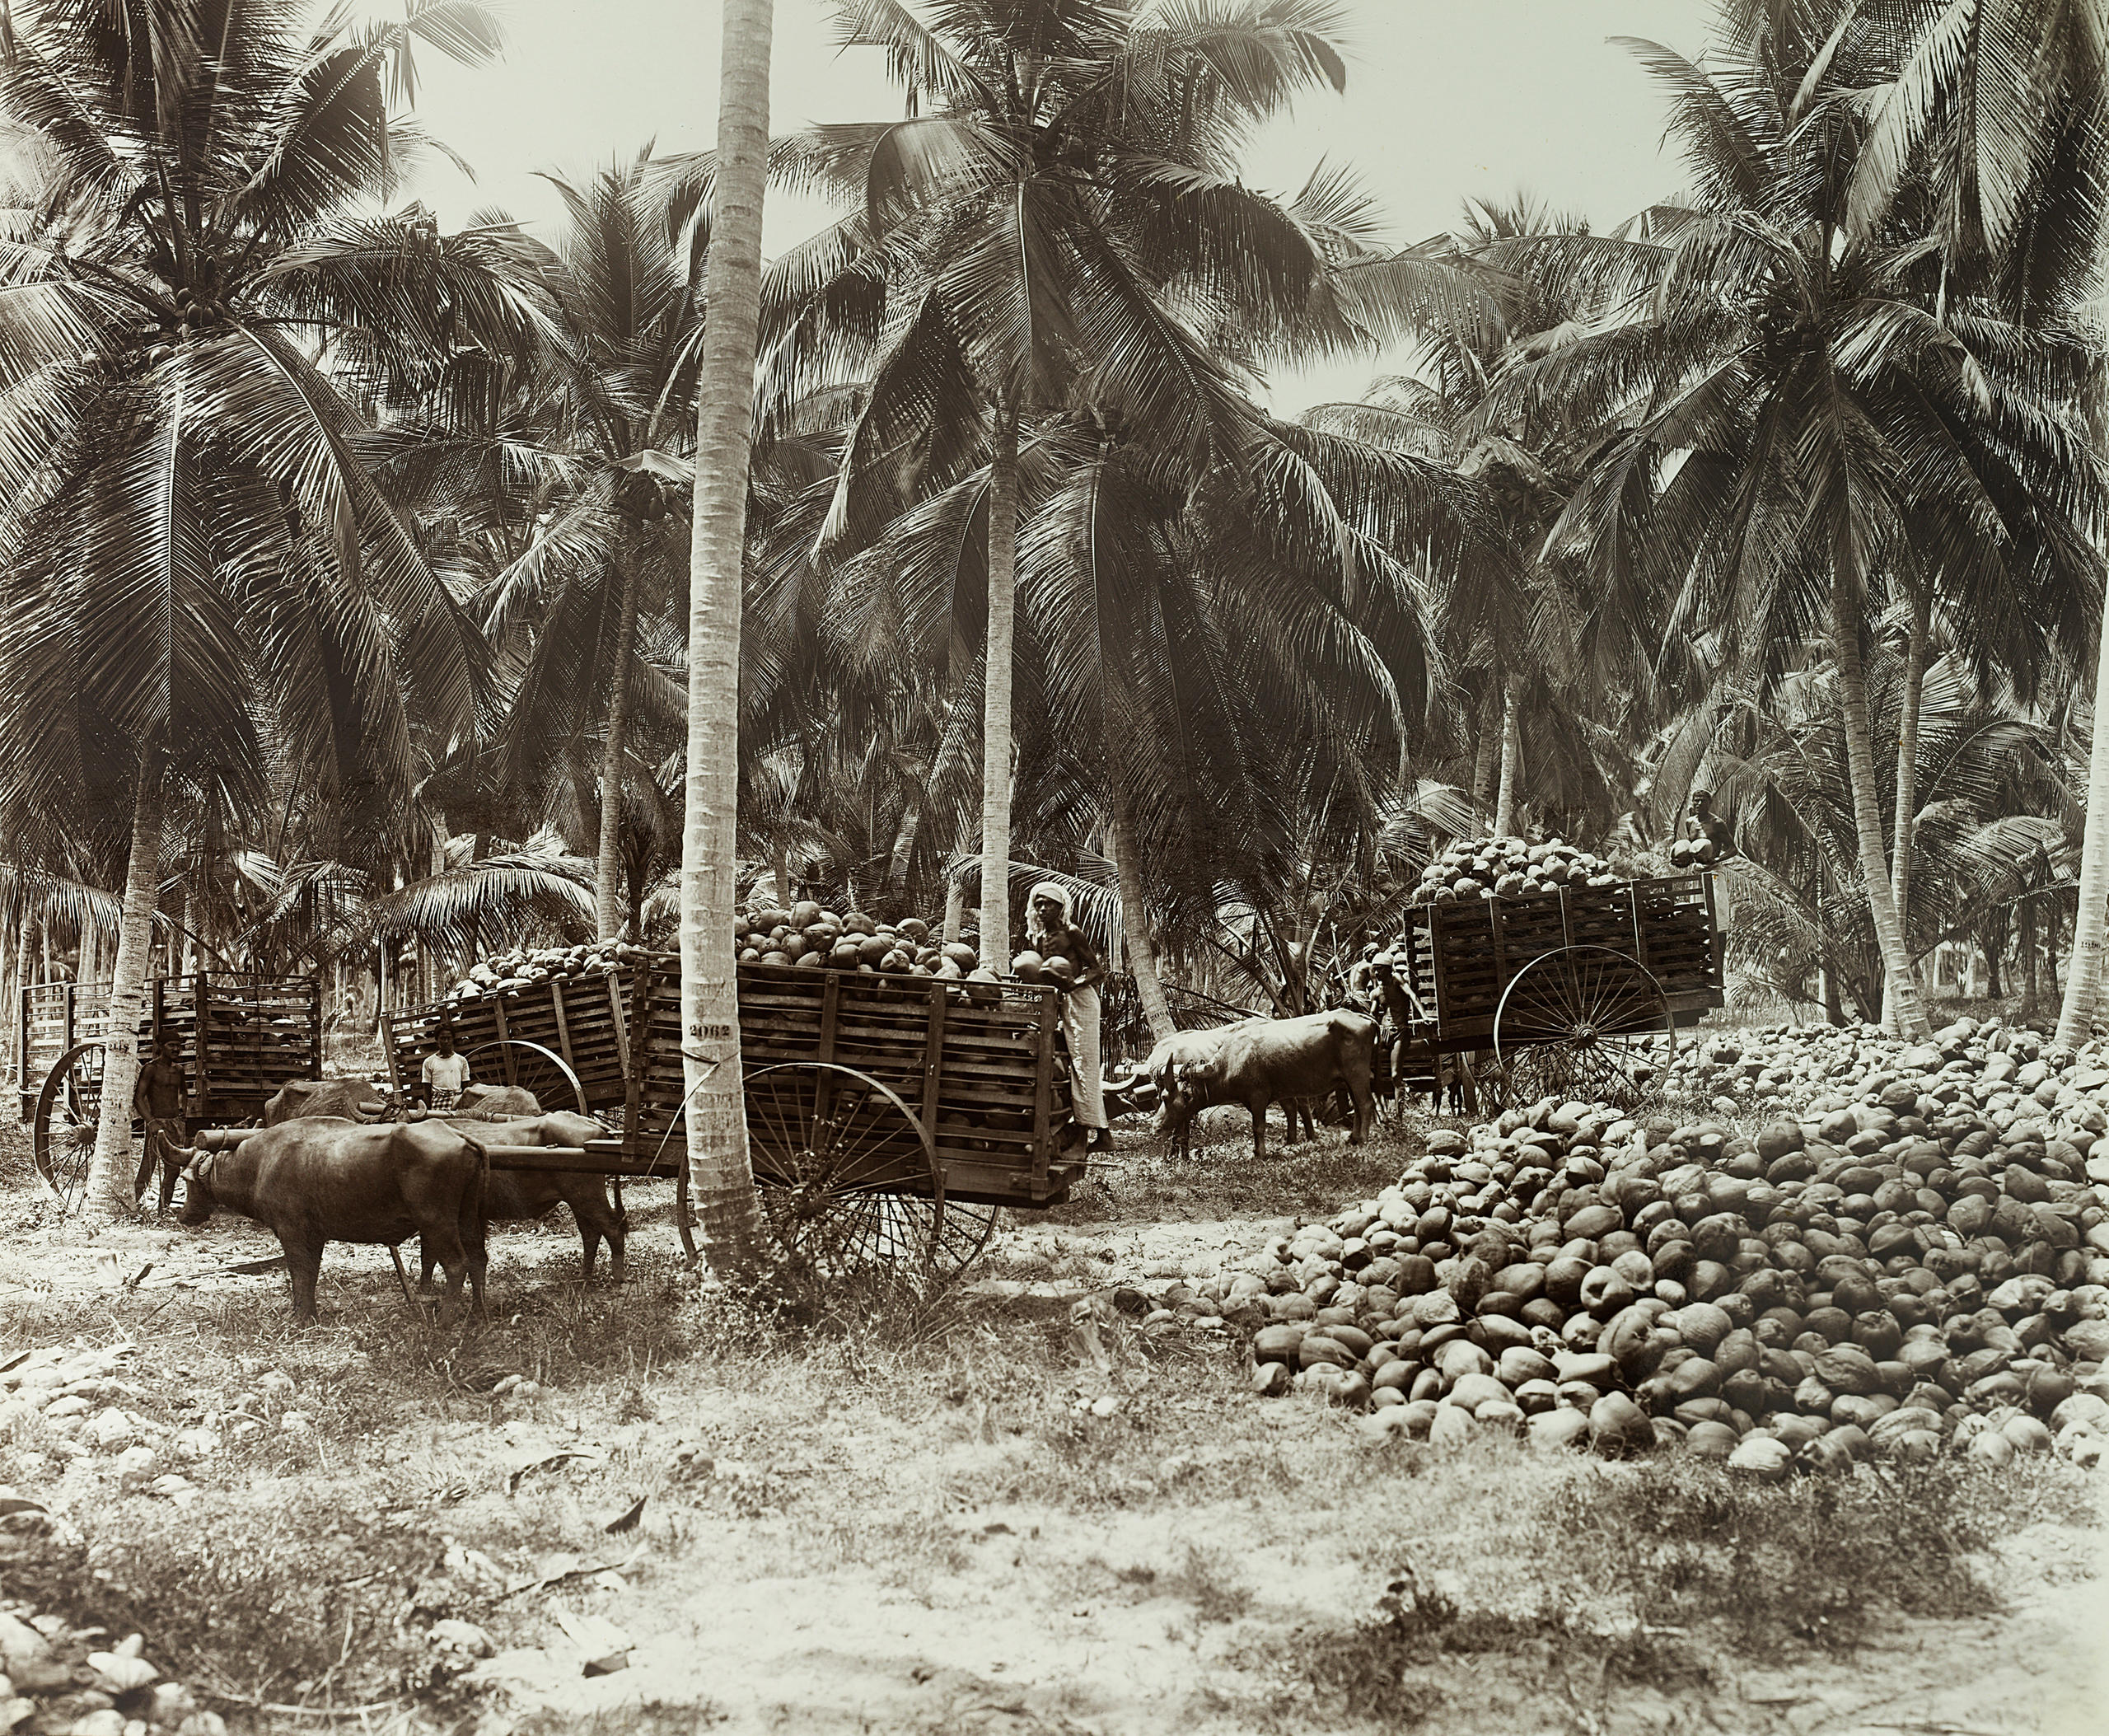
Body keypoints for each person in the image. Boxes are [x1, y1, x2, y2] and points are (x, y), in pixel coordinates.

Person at [1026, 882, 1112, 1154]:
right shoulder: (1037, 939)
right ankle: (1078, 1131)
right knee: (1066, 1062)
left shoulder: (1072, 932)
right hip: (1056, 1004)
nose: (1042, 909)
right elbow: (1039, 972)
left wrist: (1072, 985)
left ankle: (1103, 1134)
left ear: (1060, 907)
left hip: (1081, 1000)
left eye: (1048, 904)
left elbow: (1098, 970)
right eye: (1038, 904)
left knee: (1083, 1063)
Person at [132, 1036, 189, 1213]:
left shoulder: (179, 1070)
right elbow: (138, 1098)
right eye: (171, 1044)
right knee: (148, 1168)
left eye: (178, 1046)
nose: (175, 1049)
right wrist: (151, 1122)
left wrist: (182, 1112)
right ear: (160, 1046)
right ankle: (130, 1206)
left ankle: (163, 1210)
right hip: (157, 1124)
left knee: (173, 1170)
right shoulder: (150, 1069)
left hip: (175, 1124)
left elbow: (183, 1093)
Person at [418, 1027, 470, 1113]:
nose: (446, 1041)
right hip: (438, 1100)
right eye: (442, 1038)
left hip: (457, 1099)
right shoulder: (429, 1062)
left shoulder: (461, 1060)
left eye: (449, 1038)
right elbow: (427, 1091)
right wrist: (428, 1111)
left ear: (453, 1039)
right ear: (437, 1040)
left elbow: (465, 1087)